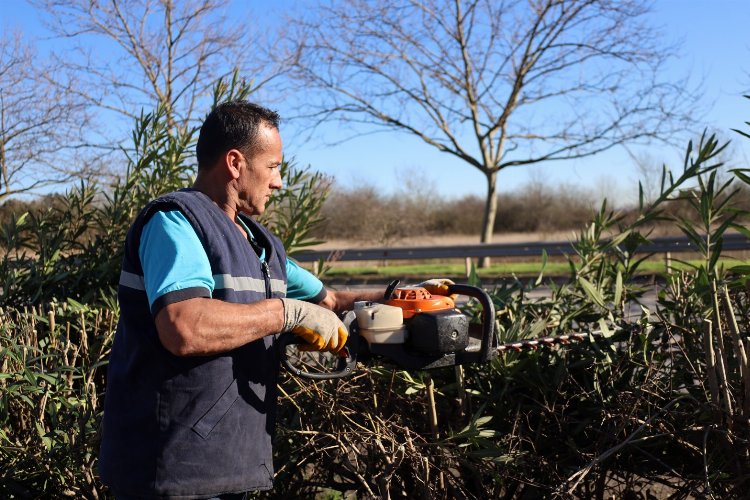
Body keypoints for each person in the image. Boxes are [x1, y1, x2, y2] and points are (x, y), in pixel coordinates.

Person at [98, 101, 386, 499]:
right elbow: (184, 326)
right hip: (171, 470)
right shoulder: (176, 223)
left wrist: (403, 296)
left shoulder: (260, 243)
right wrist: (286, 314)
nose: (279, 182)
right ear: (235, 163)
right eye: (272, 167)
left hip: (227, 462)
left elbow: (330, 300)